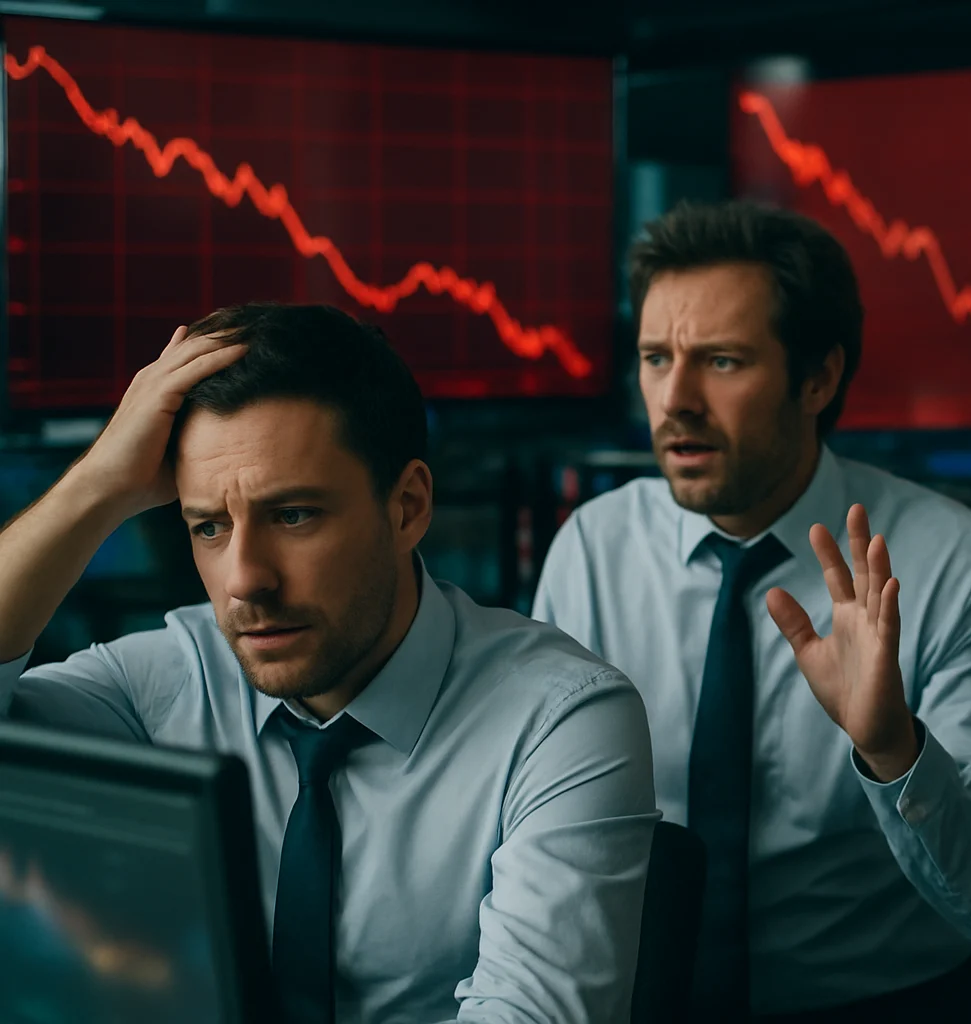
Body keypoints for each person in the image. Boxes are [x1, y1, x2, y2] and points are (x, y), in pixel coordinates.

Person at [0, 304, 659, 1024]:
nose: (246, 578)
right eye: (209, 527)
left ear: (407, 507)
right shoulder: (164, 681)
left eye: (293, 516)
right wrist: (98, 484)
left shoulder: (560, 717)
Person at [533, 200, 971, 1021]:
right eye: (656, 358)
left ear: (818, 378)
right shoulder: (593, 549)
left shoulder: (953, 563)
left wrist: (891, 747)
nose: (676, 400)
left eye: (723, 362)